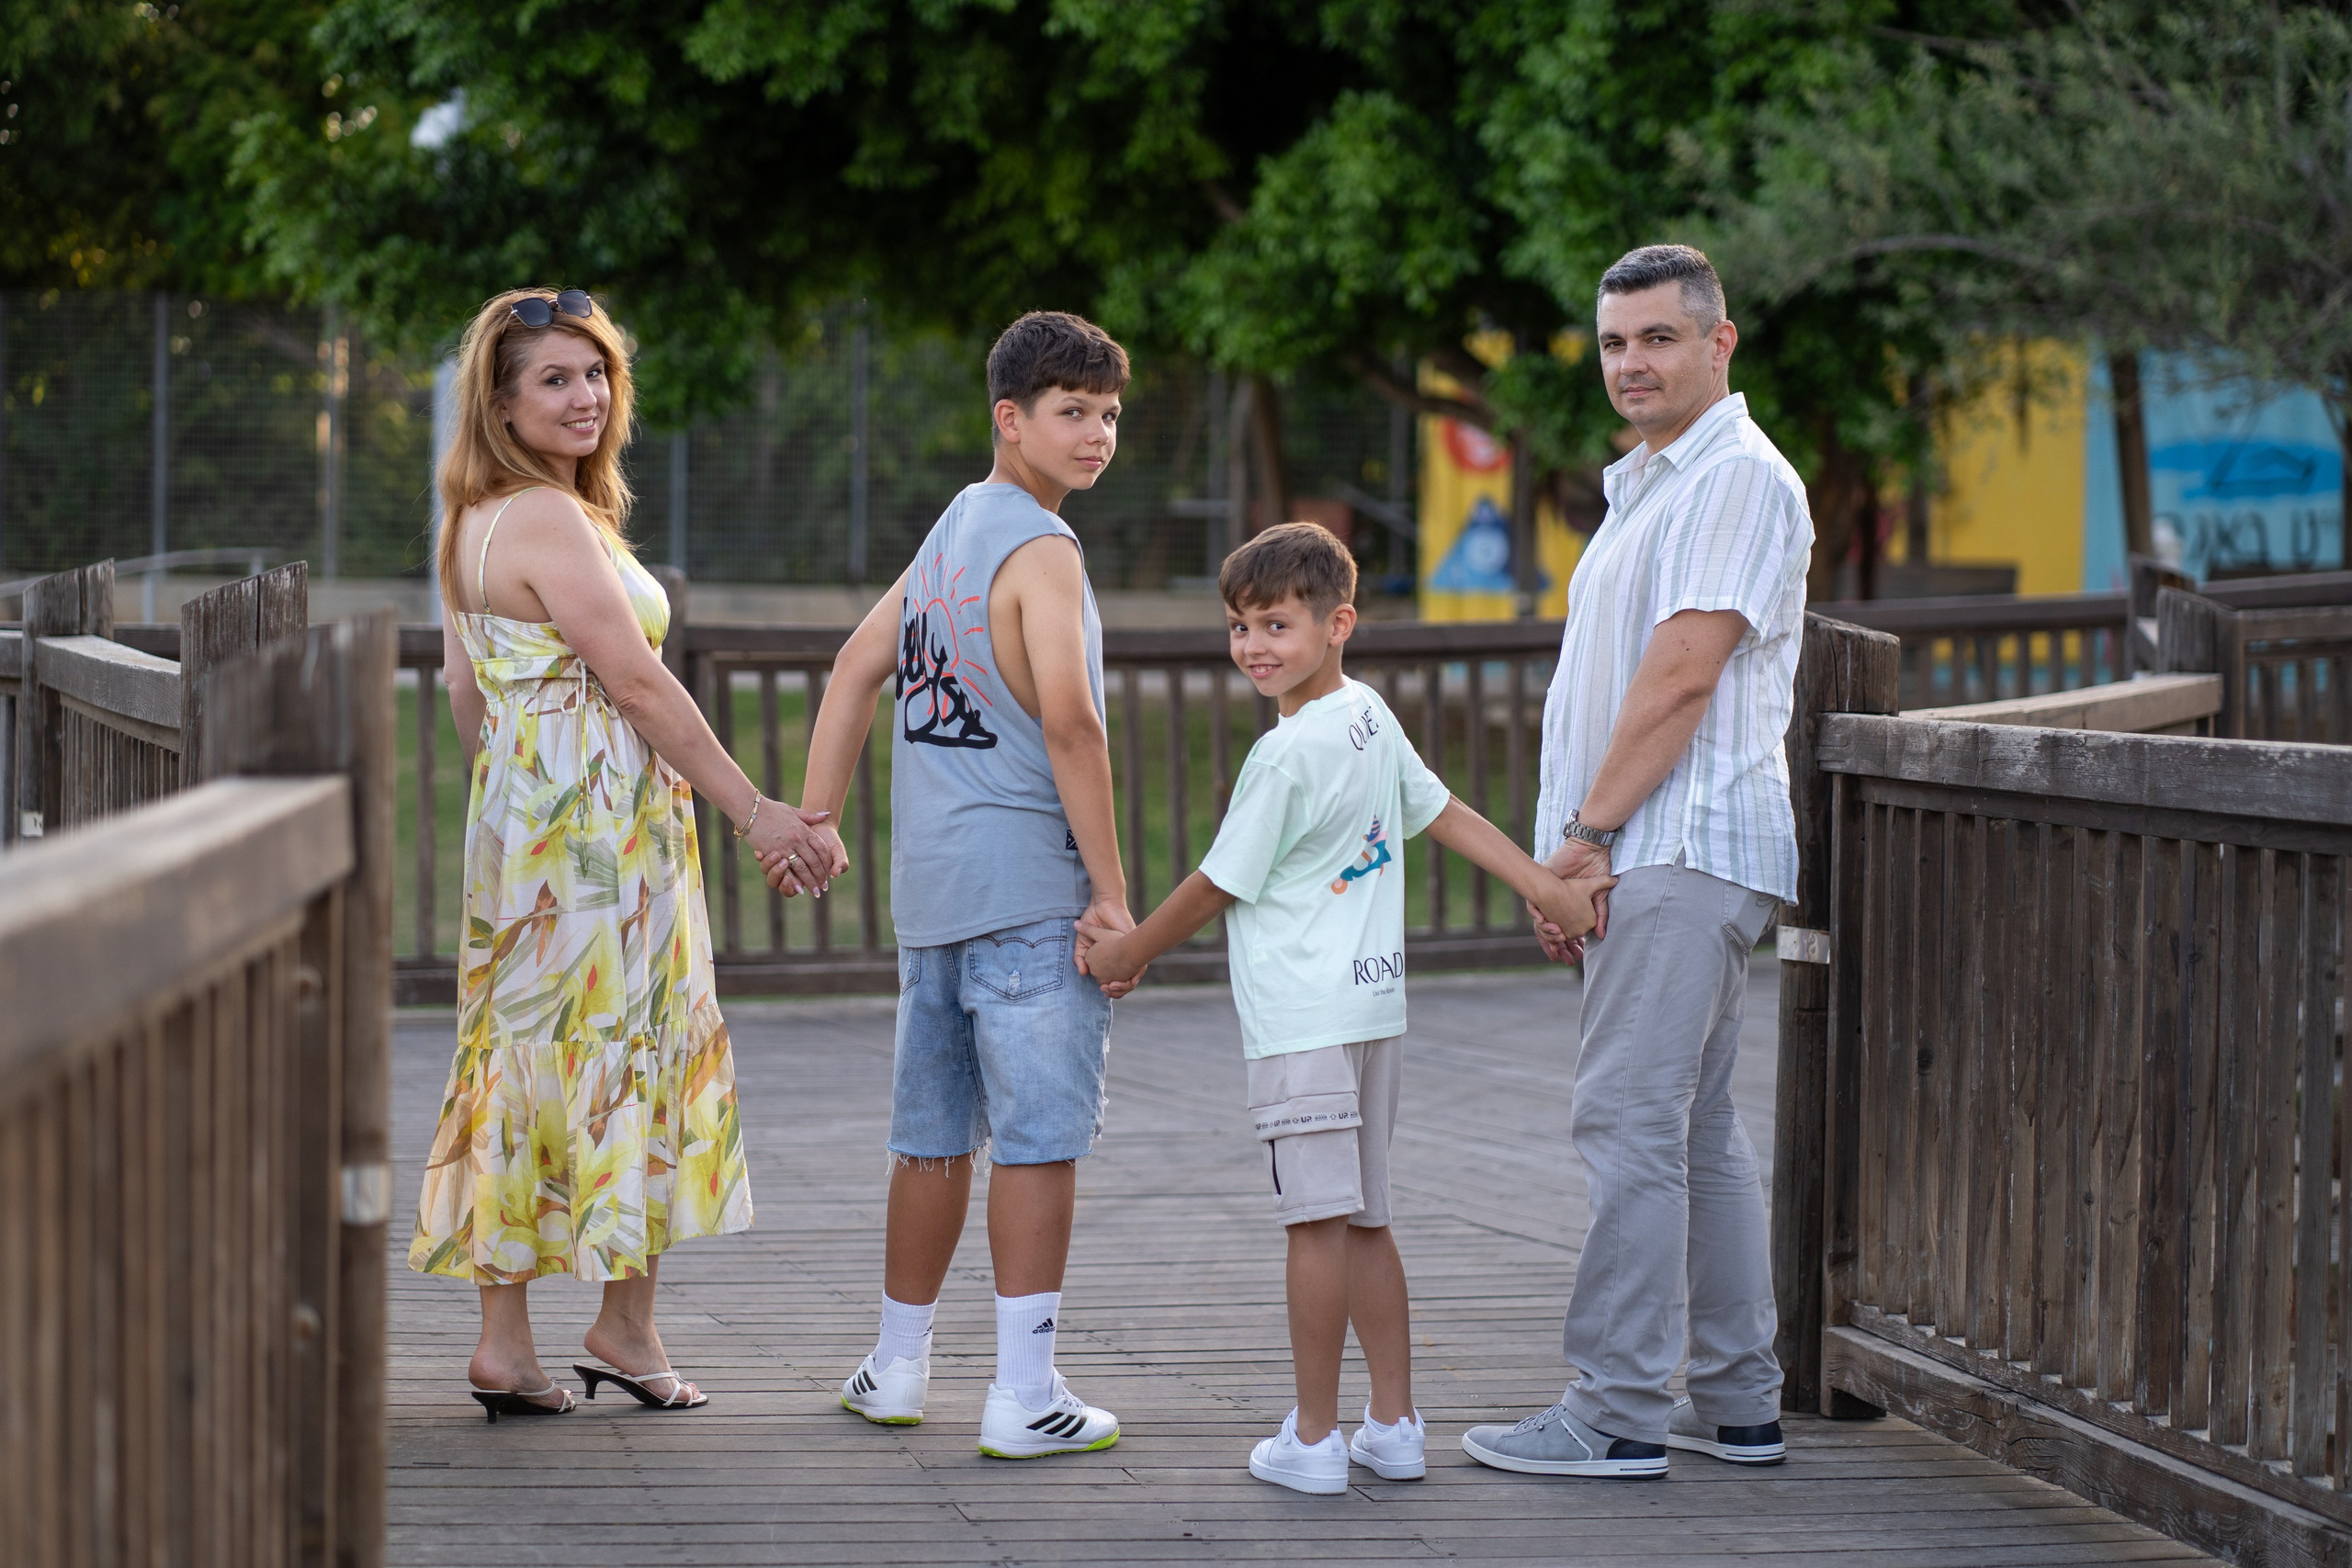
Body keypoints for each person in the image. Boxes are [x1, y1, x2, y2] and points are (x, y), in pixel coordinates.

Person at [1077, 523, 1613, 1495]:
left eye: (1276, 625)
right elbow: (1443, 812)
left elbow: (1218, 882)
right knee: (1366, 1217)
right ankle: (1394, 1424)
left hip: (1304, 1022)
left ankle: (1316, 1439)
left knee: (1315, 1225)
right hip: (1373, 1010)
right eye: (1240, 627)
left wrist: (1129, 951)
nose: (1254, 647)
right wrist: (1544, 886)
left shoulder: (1283, 756)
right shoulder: (1368, 714)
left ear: (1339, 624)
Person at [410, 288, 841, 1421]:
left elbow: (464, 691)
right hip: (601, 827)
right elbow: (639, 684)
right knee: (626, 1040)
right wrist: (757, 812)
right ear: (500, 404)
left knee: (519, 1049)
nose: (585, 396)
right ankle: (625, 1326)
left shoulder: (470, 521)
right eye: (553, 378)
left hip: (527, 824)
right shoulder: (548, 519)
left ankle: (510, 1343)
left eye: (595, 372)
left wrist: (517, 801)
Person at [1461, 244, 1813, 1479]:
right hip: (1659, 848)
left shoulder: (1731, 476)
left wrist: (1587, 840)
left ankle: (1612, 1411)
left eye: (1658, 338)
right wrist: (1573, 854)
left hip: (1672, 843)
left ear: (1719, 343)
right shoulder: (1657, 483)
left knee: (1626, 1122)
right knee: (1695, 1130)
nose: (1631, 363)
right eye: (1614, 343)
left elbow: (1679, 678)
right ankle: (1737, 1399)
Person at [763, 310, 1137, 1459]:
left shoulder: (950, 532)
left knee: (930, 1139)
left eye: (1109, 414)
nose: (1096, 434)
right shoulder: (1044, 547)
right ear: (1009, 418)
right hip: (1028, 893)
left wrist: (816, 817)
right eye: (1072, 412)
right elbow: (1071, 724)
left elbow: (853, 667)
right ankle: (1025, 1395)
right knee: (1036, 1140)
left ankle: (895, 1366)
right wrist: (1112, 896)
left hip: (931, 896)